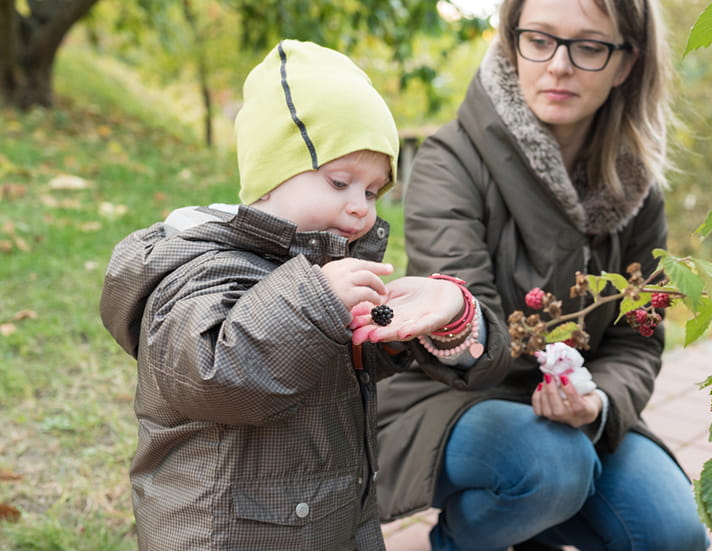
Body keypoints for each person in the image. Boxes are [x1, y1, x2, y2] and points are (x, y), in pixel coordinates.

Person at [99, 39, 509, 550]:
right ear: (270, 177)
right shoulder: (201, 267)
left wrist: (441, 319)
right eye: (340, 181)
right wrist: (318, 302)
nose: (360, 207)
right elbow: (213, 374)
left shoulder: (320, 274)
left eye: (372, 191)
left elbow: (363, 354)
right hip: (225, 534)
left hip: (331, 521)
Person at [366, 0, 711, 549]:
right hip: (455, 395)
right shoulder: (449, 161)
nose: (558, 65)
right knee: (551, 468)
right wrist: (458, 319)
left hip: (575, 410)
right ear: (511, 42)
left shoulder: (638, 190)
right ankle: (465, 539)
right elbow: (464, 325)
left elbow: (637, 342)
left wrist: (597, 403)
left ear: (626, 63)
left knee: (673, 535)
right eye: (540, 39)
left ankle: (532, 520)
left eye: (589, 46)